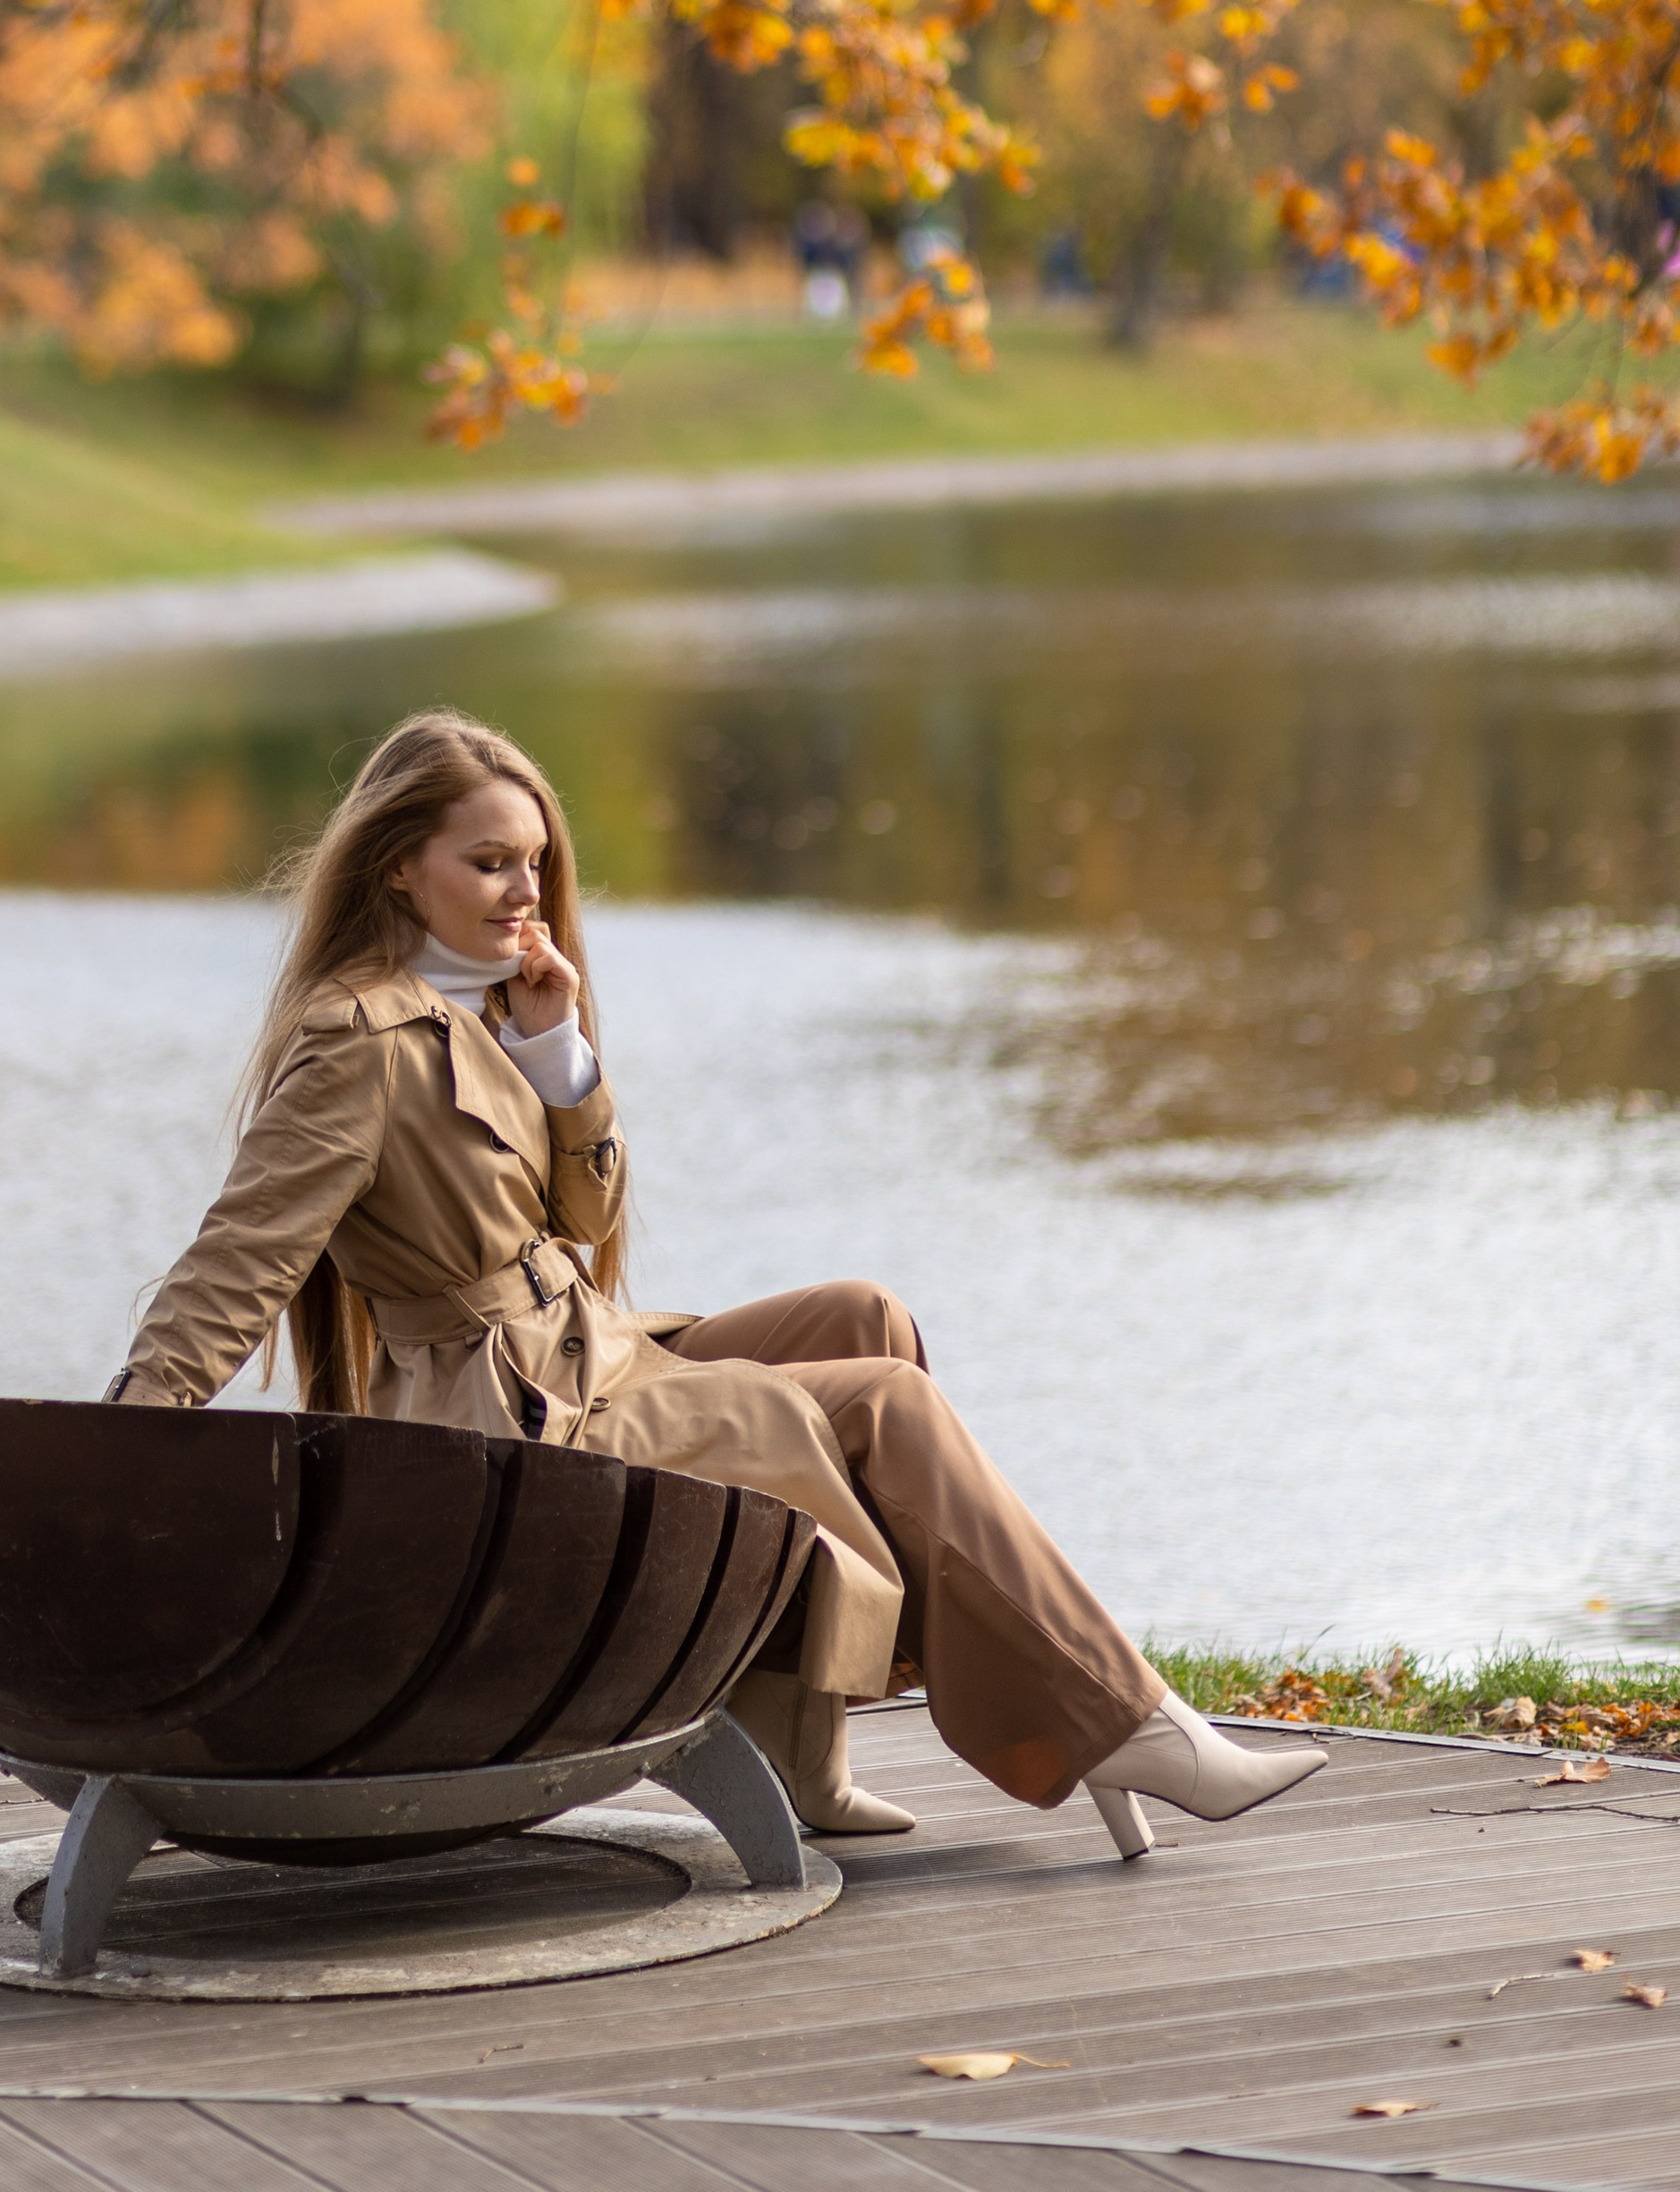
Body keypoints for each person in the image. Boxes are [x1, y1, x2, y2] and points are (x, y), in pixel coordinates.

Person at [108, 710, 1324, 1856]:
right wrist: (129, 1440)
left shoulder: (484, 1006)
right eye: (488, 864)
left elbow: (585, 1221)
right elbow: (240, 1256)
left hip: (582, 1348)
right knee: (884, 1408)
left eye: (533, 864)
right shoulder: (359, 1042)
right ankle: (1127, 1724)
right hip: (509, 1409)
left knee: (866, 1318)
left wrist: (558, 1053)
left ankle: (803, 1758)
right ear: (396, 869)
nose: (525, 894)